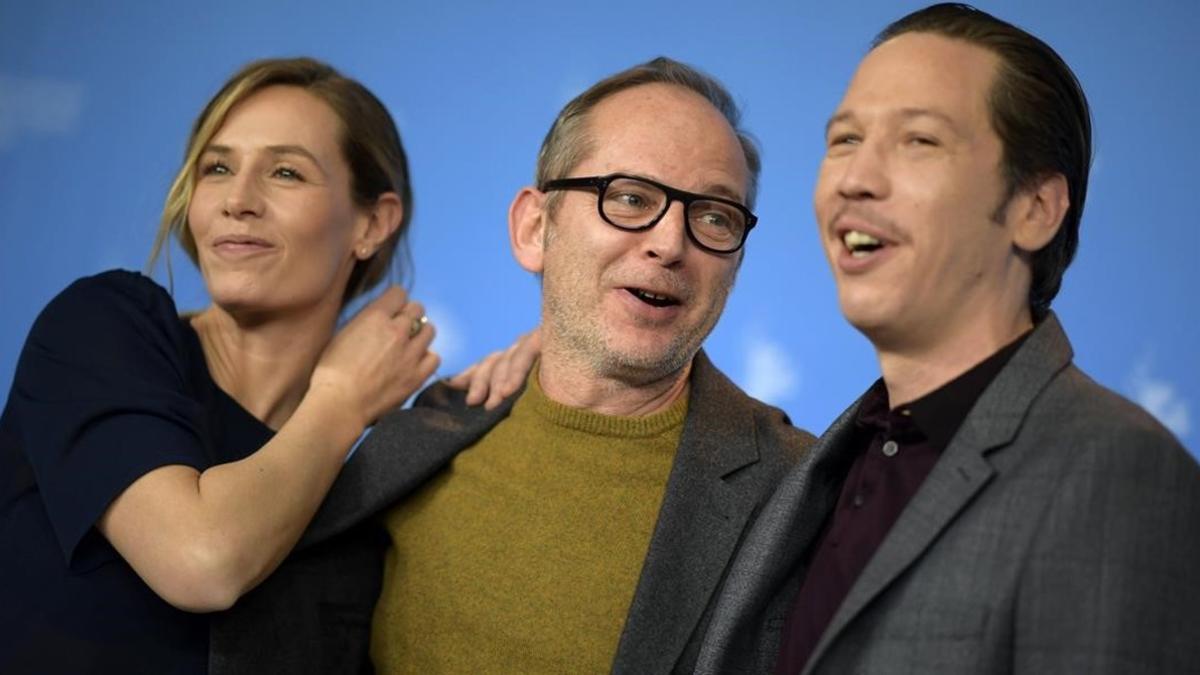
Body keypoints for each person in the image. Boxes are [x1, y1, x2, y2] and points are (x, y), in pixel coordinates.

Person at [210, 57, 815, 674]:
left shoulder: (805, 492)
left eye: (715, 216)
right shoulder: (427, 431)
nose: (669, 242)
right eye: (629, 198)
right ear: (534, 229)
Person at [694, 4, 1200, 674]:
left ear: (1034, 208)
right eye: (843, 139)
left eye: (919, 141)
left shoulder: (1117, 470)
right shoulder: (815, 468)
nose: (855, 178)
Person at [0, 57, 524, 674]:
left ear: (372, 223)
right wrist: (340, 402)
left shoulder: (365, 492)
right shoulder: (101, 328)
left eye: (284, 172)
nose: (238, 200)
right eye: (217, 168)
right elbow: (201, 560)